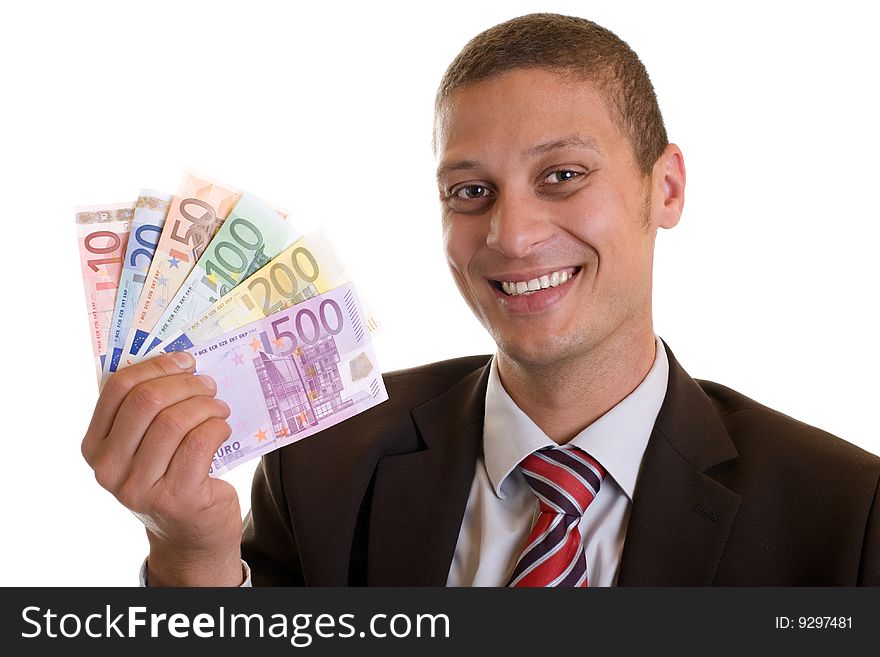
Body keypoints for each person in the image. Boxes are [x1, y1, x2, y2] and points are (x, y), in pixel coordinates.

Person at [81, 13, 879, 586]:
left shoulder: (845, 516)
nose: (513, 234)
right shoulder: (321, 465)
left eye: (562, 175)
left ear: (664, 186)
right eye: (470, 190)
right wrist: (191, 555)